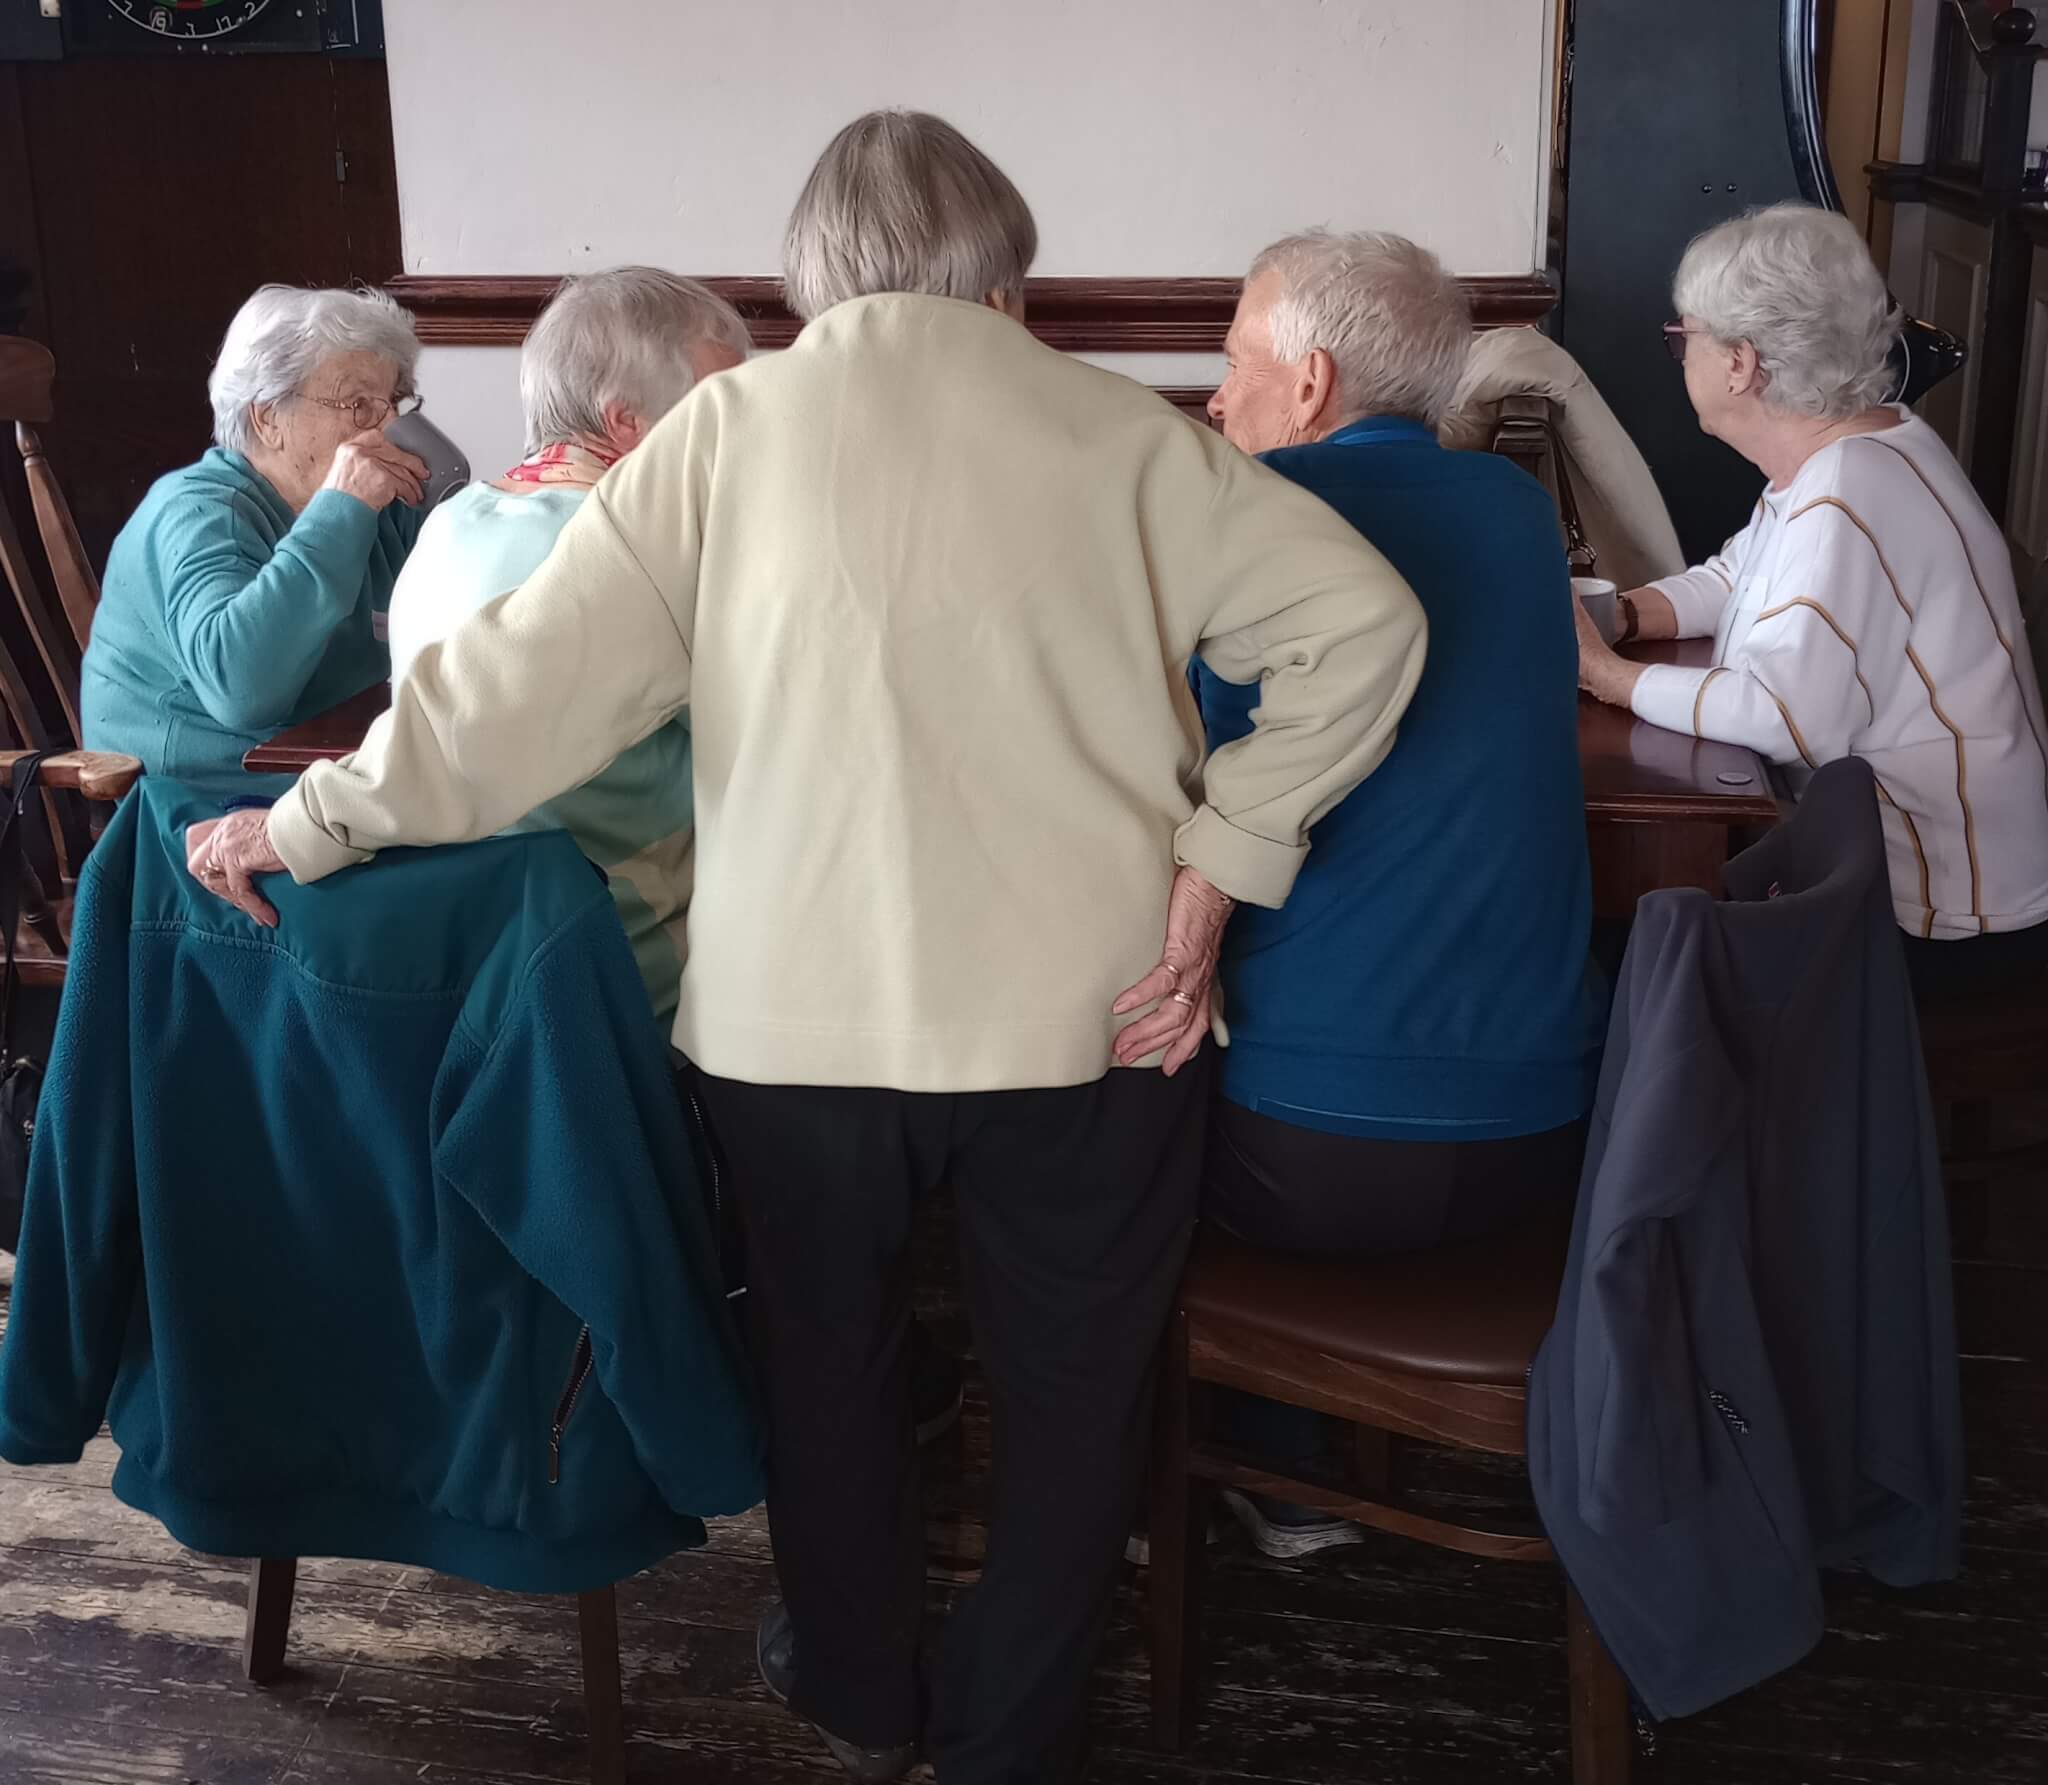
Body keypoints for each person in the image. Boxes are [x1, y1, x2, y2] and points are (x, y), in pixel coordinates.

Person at [184, 109, 1427, 1785]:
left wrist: (307, 819)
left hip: (788, 1028)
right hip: (1093, 1012)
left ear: (808, 272)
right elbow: (1366, 621)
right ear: (1004, 259)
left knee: (826, 1360)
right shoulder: (1118, 433)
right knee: (1072, 1384)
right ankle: (1015, 1725)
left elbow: (507, 699)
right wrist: (1228, 855)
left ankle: (857, 1682)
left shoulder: (719, 437)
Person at [1194, 230, 1602, 1558]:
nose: (1215, 395)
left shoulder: (1259, 522)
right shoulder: (1518, 512)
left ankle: (1268, 1452)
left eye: (1234, 360)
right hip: (1550, 1143)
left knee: (1085, 1117)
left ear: (1310, 384)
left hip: (1307, 1163)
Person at [1574, 203, 2048, 990]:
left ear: (1741, 364)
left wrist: (1607, 675)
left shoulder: (1849, 490)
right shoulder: (1862, 445)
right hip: (1900, 871)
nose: (1677, 353)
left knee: (1639, 958)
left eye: (1682, 336)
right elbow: (1734, 576)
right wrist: (1620, 615)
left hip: (1943, 913)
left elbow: (1783, 716)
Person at [388, 267, 749, 1027]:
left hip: (471, 965)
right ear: (627, 424)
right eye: (721, 408)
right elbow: (767, 752)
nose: (743, 434)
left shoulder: (446, 527)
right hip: (634, 970)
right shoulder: (639, 554)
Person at [82, 285, 429, 795]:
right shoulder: (198, 512)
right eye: (359, 404)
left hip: (334, 786)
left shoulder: (383, 507)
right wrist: (342, 510)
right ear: (267, 417)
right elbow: (242, 687)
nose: (389, 426)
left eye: (393, 402)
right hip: (203, 814)